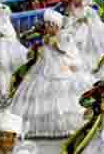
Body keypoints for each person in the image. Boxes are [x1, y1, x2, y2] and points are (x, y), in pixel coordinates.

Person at [8, 9, 94, 138]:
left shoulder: (65, 36)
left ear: (57, 26)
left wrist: (55, 45)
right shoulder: (46, 36)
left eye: (51, 25)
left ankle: (65, 124)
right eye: (47, 24)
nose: (48, 27)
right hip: (44, 67)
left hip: (60, 68)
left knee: (62, 95)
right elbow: (42, 49)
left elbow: (68, 51)